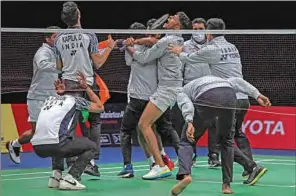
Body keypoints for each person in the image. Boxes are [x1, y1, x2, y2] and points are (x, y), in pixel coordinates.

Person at [169, 17, 256, 176]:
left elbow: (191, 58)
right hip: (242, 96)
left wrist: (178, 52)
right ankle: (248, 168)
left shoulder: (212, 49)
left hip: (225, 97)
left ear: (208, 32)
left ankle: (250, 167)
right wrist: (256, 94)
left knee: (222, 138)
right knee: (235, 133)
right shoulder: (233, 47)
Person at [170, 76, 270, 195]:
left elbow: (187, 104)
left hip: (206, 97)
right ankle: (226, 186)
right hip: (228, 95)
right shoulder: (219, 79)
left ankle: (185, 175)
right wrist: (257, 95)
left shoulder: (182, 91)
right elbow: (239, 82)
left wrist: (190, 121)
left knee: (186, 141)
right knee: (226, 140)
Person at [125, 12, 191, 180]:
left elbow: (143, 57)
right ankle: (161, 162)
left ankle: (160, 166)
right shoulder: (178, 39)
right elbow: (153, 42)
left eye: (173, 18)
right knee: (149, 125)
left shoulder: (167, 40)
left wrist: (129, 46)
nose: (169, 19)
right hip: (171, 86)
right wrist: (139, 40)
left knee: (143, 125)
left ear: (177, 26)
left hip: (167, 89)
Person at [54, 1, 115, 176]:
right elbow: (98, 63)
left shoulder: (58, 38)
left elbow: (59, 66)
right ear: (79, 14)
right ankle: (91, 161)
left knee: (68, 125)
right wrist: (109, 48)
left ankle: (71, 163)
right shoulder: (89, 34)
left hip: (67, 83)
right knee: (95, 121)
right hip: (87, 83)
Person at [117, 22, 175, 178]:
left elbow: (147, 49)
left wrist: (129, 44)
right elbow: (131, 60)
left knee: (126, 131)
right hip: (153, 97)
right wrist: (126, 45)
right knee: (148, 129)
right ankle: (157, 161)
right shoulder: (148, 47)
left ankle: (129, 167)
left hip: (142, 98)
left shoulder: (156, 46)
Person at [31, 72, 104, 190]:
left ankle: (56, 175)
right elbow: (100, 107)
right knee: (92, 146)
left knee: (57, 134)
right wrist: (86, 87)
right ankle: (71, 178)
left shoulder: (49, 99)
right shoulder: (75, 100)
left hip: (37, 147)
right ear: (79, 92)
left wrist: (60, 93)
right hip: (56, 145)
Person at [6, 26, 60, 164]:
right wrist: (61, 65)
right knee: (37, 132)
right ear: (47, 39)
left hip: (53, 97)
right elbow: (43, 65)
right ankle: (15, 144)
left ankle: (59, 165)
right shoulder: (42, 52)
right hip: (38, 97)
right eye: (55, 37)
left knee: (57, 129)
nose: (58, 39)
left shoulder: (58, 52)